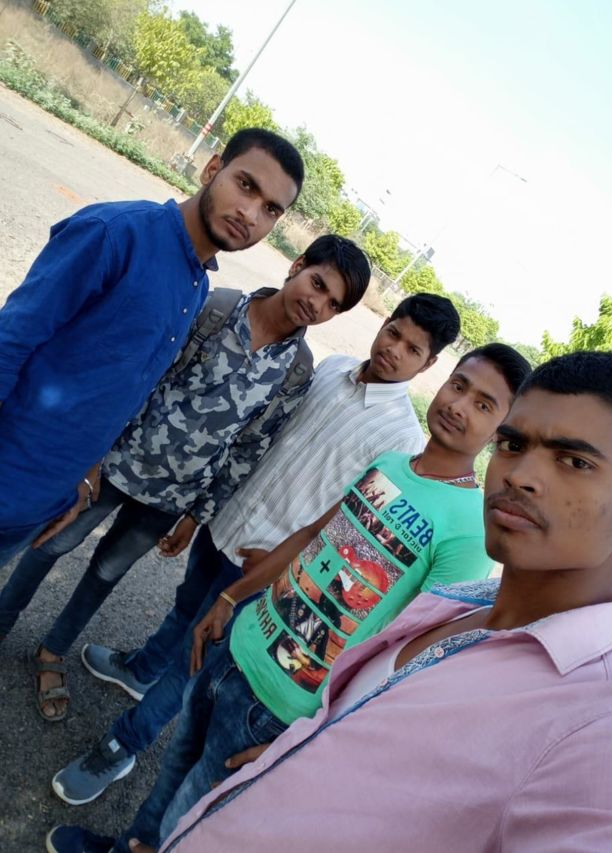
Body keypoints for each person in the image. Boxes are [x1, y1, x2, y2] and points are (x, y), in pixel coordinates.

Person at [49, 351, 612, 853]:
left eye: (575, 461)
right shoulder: (401, 483)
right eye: (460, 387)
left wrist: (308, 741)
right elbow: (314, 537)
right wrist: (231, 598)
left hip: (278, 709)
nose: (523, 475)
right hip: (242, 646)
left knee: (195, 813)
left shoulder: (598, 726)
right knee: (167, 788)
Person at [52, 292, 459, 804]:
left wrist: (284, 565)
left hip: (267, 561)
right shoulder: (332, 368)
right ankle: (140, 670)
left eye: (413, 349)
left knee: (197, 656)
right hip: (229, 522)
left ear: (429, 364)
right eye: (393, 332)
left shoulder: (401, 438)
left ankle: (124, 744)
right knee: (184, 608)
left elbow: (347, 524)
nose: (394, 350)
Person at [0, 235, 370, 721]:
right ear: (298, 264)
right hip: (116, 461)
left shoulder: (297, 371)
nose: (317, 304)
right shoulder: (218, 308)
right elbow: (144, 376)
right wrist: (92, 454)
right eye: (317, 284)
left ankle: (53, 652)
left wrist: (198, 515)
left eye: (333, 304)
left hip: (169, 498)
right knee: (52, 543)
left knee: (106, 572)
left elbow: (247, 448)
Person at [0, 127, 304, 567]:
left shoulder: (197, 287)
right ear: (212, 169)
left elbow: (121, 389)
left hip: (41, 499)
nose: (250, 213)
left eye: (271, 208)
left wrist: (81, 477)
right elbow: (11, 340)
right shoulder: (116, 234)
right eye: (245, 184)